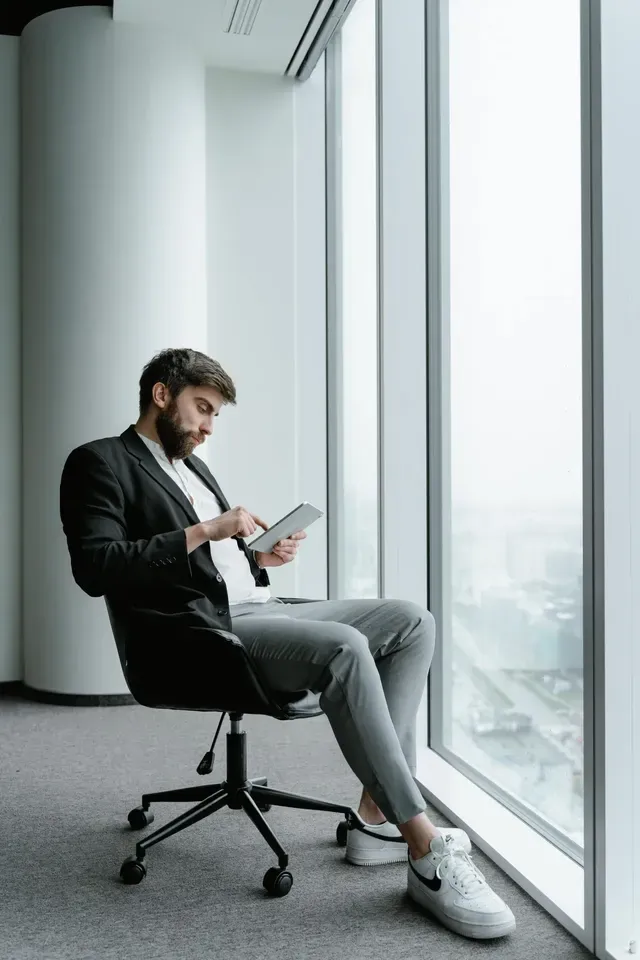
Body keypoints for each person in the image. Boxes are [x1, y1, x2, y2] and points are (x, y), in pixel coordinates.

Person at [59, 347, 515, 940]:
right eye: (203, 408)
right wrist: (207, 528)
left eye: (216, 414)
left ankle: (375, 818)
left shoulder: (193, 468)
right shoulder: (99, 461)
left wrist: (260, 558)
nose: (208, 426)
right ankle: (423, 844)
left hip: (258, 605)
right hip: (199, 630)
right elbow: (96, 567)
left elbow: (217, 564)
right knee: (345, 647)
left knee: (411, 621)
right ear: (161, 395)